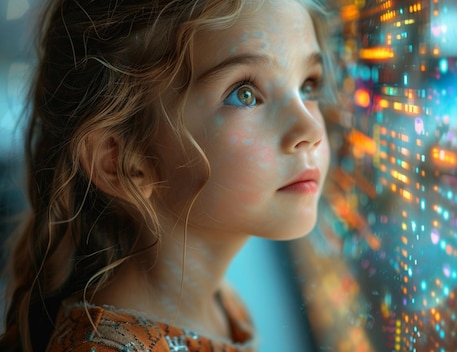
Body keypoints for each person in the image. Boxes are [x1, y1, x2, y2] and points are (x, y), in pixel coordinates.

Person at [0, 0, 333, 350]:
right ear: (124, 162)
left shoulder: (219, 305)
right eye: (244, 94)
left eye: (308, 86)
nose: (310, 128)